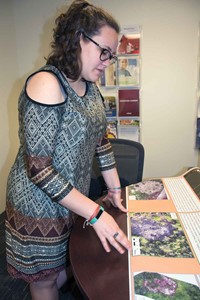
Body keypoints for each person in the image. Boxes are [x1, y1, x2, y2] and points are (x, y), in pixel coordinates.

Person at [5, 0, 131, 299]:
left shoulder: (90, 87)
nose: (107, 62)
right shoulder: (47, 83)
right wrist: (97, 214)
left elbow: (101, 140)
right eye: (104, 52)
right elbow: (39, 169)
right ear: (78, 39)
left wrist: (114, 190)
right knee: (45, 281)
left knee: (67, 263)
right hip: (38, 206)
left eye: (111, 56)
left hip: (72, 198)